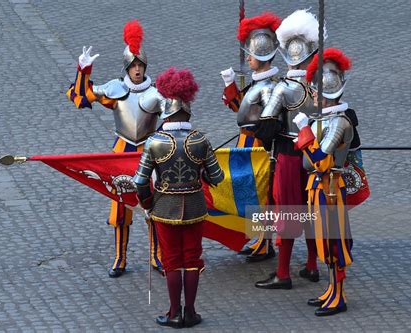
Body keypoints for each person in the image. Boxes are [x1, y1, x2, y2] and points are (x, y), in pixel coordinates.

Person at [66, 20, 162, 277]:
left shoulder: (156, 92)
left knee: (153, 205)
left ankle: (156, 254)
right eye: (134, 66)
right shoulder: (116, 90)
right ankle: (120, 257)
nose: (138, 70)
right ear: (127, 68)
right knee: (120, 205)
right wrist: (83, 70)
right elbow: (81, 97)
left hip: (148, 152)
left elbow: (174, 114)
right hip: (121, 152)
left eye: (141, 65)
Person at [133, 67, 224, 328]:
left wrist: (148, 203)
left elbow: (140, 182)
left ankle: (174, 312)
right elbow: (217, 178)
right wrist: (203, 175)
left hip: (164, 208)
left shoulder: (154, 142)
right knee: (192, 258)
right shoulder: (201, 140)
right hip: (195, 206)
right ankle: (191, 312)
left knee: (171, 259)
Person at [254, 9, 324, 289]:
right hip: (317, 155)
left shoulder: (282, 89)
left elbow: (266, 126)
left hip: (289, 155)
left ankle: (283, 273)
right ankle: (311, 265)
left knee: (286, 212)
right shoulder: (321, 86)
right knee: (310, 210)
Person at [293, 48, 354, 316]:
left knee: (333, 243)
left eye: (317, 91)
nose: (314, 95)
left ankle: (338, 296)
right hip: (318, 187)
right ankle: (331, 289)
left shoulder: (339, 123)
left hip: (330, 188)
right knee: (323, 242)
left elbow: (321, 160)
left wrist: (305, 131)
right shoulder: (328, 119)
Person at [220, 12, 282, 262]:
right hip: (246, 143)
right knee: (252, 192)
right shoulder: (258, 83)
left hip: (259, 144)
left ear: (261, 56)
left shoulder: (269, 87)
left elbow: (265, 120)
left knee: (263, 194)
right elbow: (241, 107)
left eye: (251, 54)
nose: (247, 58)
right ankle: (258, 238)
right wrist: (230, 83)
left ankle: (266, 242)